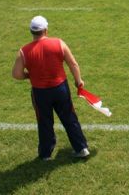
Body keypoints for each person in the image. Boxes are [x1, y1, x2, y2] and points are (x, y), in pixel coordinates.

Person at [12, 16, 90, 160]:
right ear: (46, 30)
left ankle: (46, 154)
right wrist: (78, 81)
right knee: (69, 118)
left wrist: (29, 76)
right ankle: (81, 148)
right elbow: (73, 64)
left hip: (40, 92)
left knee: (44, 122)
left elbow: (16, 74)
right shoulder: (59, 43)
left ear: (31, 31)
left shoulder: (24, 51)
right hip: (61, 89)